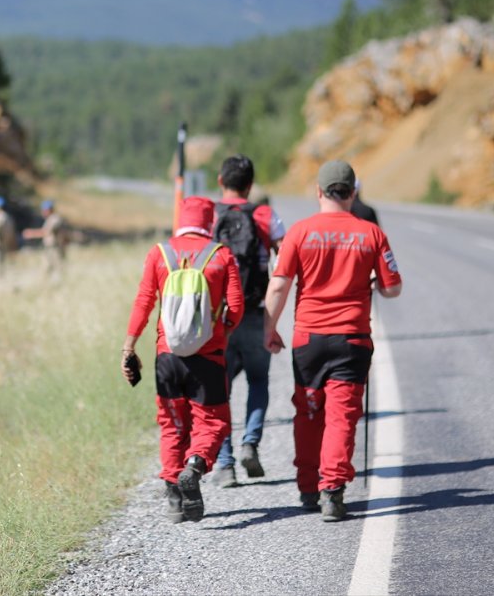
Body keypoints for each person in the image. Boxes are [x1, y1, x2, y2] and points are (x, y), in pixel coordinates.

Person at [263, 160, 402, 522]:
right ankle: (333, 491)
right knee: (342, 417)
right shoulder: (371, 233)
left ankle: (308, 487)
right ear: (353, 193)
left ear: (319, 192)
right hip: (352, 338)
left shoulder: (300, 232)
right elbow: (393, 288)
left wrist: (269, 327)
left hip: (308, 339)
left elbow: (279, 284)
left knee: (308, 414)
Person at [121, 196, 244, 523]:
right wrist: (223, 332)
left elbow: (144, 302)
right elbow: (236, 306)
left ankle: (174, 497)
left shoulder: (159, 254)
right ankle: (195, 465)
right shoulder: (222, 256)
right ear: (209, 222)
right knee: (213, 421)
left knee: (172, 425)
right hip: (208, 358)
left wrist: (128, 347)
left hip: (167, 357)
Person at [211, 155, 286, 488]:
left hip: (220, 318)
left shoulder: (210, 215)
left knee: (219, 391)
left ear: (219, 180)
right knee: (258, 382)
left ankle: (224, 465)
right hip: (255, 312)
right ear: (251, 185)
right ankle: (249, 444)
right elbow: (286, 261)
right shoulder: (265, 214)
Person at [22, 200, 69, 280]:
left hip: (55, 248)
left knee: (58, 268)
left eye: (44, 210)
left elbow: (46, 232)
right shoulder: (50, 219)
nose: (43, 212)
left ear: (49, 210)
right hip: (49, 248)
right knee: (46, 267)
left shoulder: (55, 219)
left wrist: (31, 234)